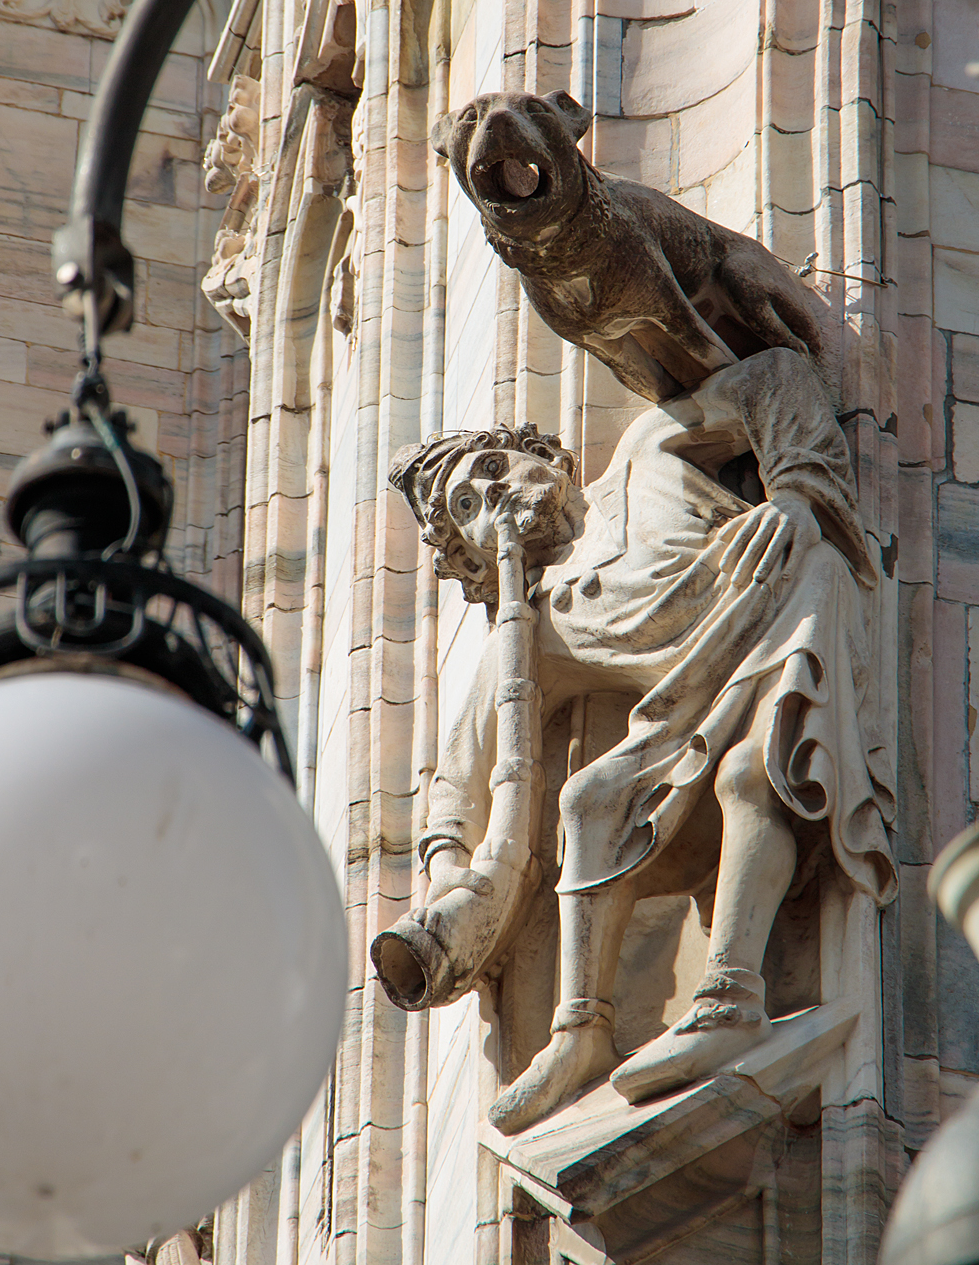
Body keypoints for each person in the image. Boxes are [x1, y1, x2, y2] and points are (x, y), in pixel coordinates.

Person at [374, 346, 896, 1137]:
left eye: (492, 466)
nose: (495, 492)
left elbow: (775, 377)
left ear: (538, 454)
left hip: (793, 592)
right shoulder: (540, 625)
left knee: (751, 775)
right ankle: (581, 1031)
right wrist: (452, 879)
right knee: (588, 801)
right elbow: (457, 784)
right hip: (686, 704)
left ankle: (730, 997)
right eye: (472, 505)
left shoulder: (648, 446)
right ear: (476, 553)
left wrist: (794, 493)